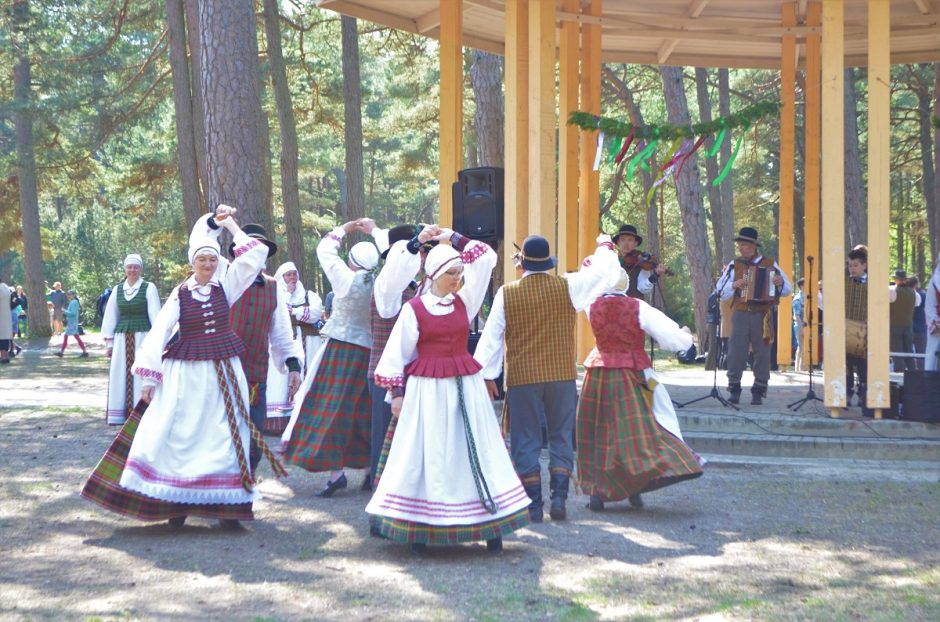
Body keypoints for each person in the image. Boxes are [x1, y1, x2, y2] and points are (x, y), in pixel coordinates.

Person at [81, 205, 282, 528]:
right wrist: (148, 377)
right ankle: (177, 505)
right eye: (202, 259)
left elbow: (255, 253)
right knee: (183, 433)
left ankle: (227, 511)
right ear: (193, 263)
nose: (207, 264)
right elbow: (160, 330)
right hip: (186, 373)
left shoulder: (227, 286)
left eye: (212, 259)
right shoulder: (181, 293)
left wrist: (228, 223)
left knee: (225, 434)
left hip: (223, 373)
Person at [367, 233, 529, 553]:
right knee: (429, 453)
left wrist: (452, 238)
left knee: (476, 449)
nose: (458, 279)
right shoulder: (414, 309)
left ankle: (490, 527)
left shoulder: (464, 302)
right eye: (451, 274)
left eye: (459, 274)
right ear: (434, 275)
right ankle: (421, 530)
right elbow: (398, 354)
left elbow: (484, 257)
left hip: (466, 389)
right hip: (427, 391)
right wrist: (397, 394)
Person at [474, 233, 620, 522]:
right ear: (548, 263)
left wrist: (485, 374)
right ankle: (559, 499)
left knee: (525, 438)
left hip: (523, 377)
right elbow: (608, 273)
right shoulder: (569, 286)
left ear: (523, 263)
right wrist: (604, 246)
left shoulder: (507, 292)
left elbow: (490, 339)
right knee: (560, 436)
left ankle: (533, 504)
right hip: (560, 375)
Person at [578, 268, 703, 511]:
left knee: (600, 430)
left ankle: (597, 492)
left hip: (597, 374)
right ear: (625, 285)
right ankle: (645, 479)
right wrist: (685, 337)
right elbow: (668, 335)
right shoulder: (638, 306)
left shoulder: (590, 305)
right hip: (637, 375)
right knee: (654, 415)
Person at [192, 216, 305, 474]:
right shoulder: (223, 275)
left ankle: (245, 483)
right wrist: (214, 220)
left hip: (255, 372)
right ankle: (217, 488)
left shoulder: (273, 287)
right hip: (219, 370)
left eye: (259, 247)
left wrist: (293, 364)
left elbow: (280, 330)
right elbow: (202, 242)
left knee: (253, 437)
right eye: (249, 246)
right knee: (218, 432)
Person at [281, 219, 382, 496]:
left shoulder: (346, 278)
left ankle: (336, 473)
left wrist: (346, 229)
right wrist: (375, 231)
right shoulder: (381, 281)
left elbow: (325, 250)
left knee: (327, 407)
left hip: (341, 349)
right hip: (370, 352)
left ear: (352, 261)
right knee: (363, 411)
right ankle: (371, 466)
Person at [367, 222, 439, 490]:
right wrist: (412, 246)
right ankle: (381, 499)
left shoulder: (418, 286)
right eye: (419, 252)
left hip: (416, 376)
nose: (422, 258)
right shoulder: (388, 285)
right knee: (387, 444)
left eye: (424, 253)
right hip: (387, 377)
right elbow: (395, 274)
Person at [716, 227, 792, 405]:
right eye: (739, 245)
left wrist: (779, 282)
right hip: (741, 313)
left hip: (763, 315)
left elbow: (787, 289)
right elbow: (720, 291)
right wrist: (735, 285)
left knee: (763, 353)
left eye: (743, 244)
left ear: (753, 245)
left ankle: (759, 389)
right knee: (736, 351)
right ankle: (734, 387)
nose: (740, 248)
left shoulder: (770, 264)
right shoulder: (735, 265)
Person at [100, 254, 162, 425]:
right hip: (122, 339)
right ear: (125, 269)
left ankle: (141, 412)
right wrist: (109, 342)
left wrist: (157, 341)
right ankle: (120, 413)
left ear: (140, 269)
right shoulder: (118, 290)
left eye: (135, 267)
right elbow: (111, 315)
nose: (132, 270)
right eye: (129, 267)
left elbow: (155, 315)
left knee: (141, 373)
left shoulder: (149, 288)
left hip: (143, 336)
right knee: (121, 372)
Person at [264, 261, 323, 435]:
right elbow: (279, 310)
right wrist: (288, 299)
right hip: (283, 342)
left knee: (307, 375)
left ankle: (304, 421)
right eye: (288, 274)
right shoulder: (275, 293)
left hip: (308, 341)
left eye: (294, 274)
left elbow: (315, 314)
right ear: (281, 278)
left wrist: (294, 311)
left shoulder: (309, 295)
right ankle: (279, 421)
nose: (292, 278)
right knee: (282, 379)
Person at [612, 224, 666, 301]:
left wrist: (656, 275)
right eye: (622, 239)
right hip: (613, 304)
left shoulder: (641, 262)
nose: (626, 243)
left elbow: (643, 288)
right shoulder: (611, 261)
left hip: (633, 307)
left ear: (635, 243)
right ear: (618, 242)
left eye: (630, 240)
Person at [889, 269, 920, 373]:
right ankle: (912, 374)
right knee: (909, 352)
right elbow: (917, 304)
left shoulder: (892, 291)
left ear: (896, 280)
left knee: (897, 353)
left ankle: (900, 376)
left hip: (894, 327)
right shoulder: (914, 293)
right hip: (908, 327)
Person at [55, 290, 88, 358]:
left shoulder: (74, 302)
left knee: (72, 337)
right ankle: (62, 352)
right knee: (71, 337)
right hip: (71, 323)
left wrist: (64, 311)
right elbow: (71, 312)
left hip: (72, 323)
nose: (68, 296)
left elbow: (73, 313)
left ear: (74, 295)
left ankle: (84, 352)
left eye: (70, 294)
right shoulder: (73, 302)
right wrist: (65, 312)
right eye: (68, 294)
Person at [926, 254, 940, 372]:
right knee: (932, 352)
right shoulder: (934, 283)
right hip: (938, 324)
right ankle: (929, 380)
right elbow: (929, 307)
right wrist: (935, 323)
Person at [910, 276, 928, 370]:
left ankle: (910, 372)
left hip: (909, 328)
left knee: (907, 353)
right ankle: (921, 373)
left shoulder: (906, 295)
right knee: (921, 353)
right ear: (916, 284)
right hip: (921, 329)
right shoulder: (923, 296)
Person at [792, 278, 805, 372]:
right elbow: (796, 315)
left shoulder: (807, 296)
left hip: (805, 326)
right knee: (801, 347)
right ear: (801, 286)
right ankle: (799, 368)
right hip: (800, 325)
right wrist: (801, 328)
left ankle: (800, 368)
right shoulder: (798, 298)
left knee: (803, 347)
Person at [0, 280, 12, 364]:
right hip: (7, 315)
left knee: (1, 338)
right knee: (5, 337)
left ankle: (3, 357)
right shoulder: (6, 288)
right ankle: (6, 356)